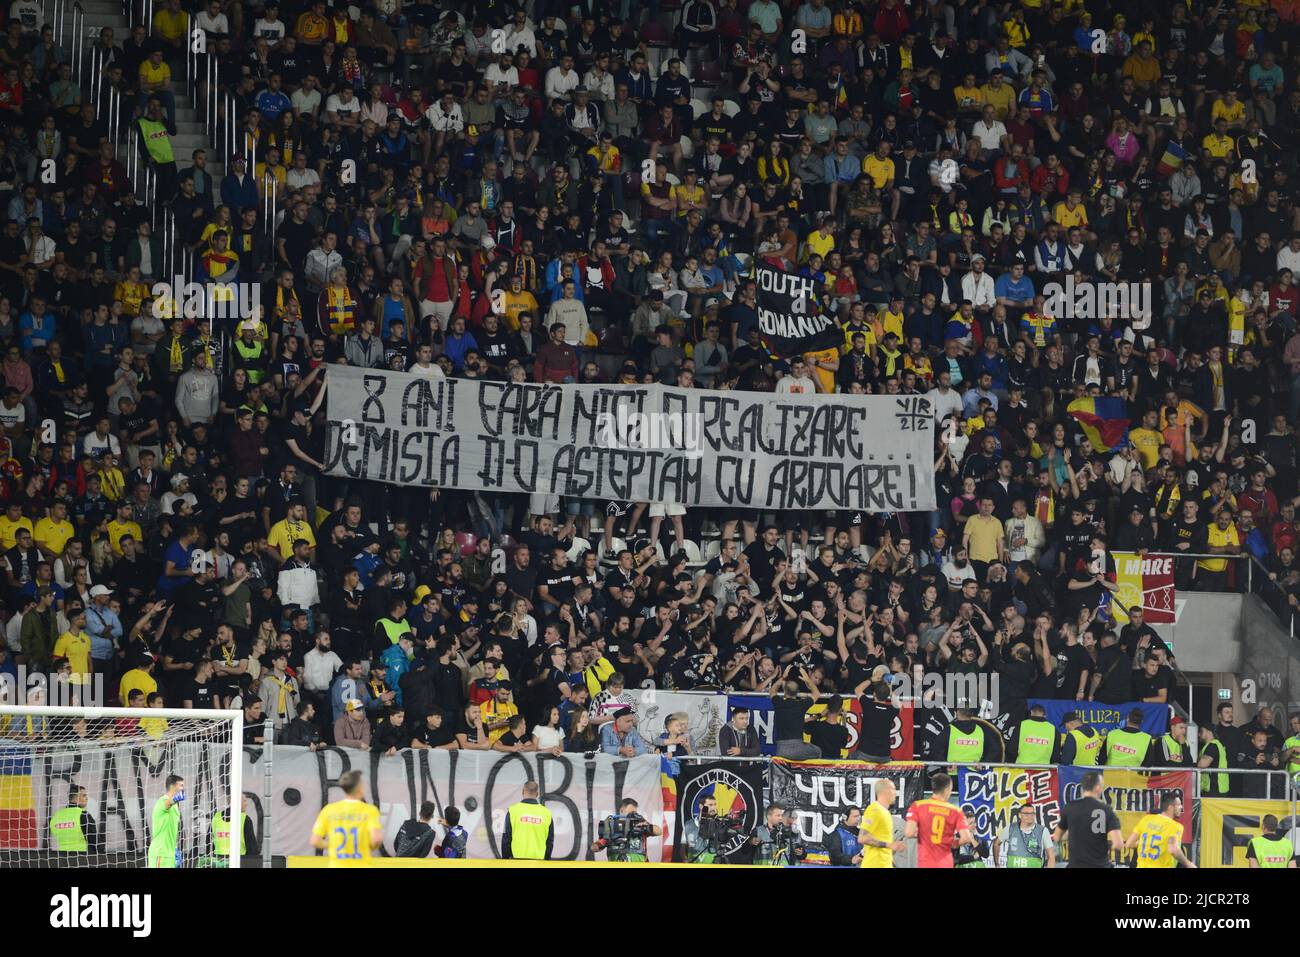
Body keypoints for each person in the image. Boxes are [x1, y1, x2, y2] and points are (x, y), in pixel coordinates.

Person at [309, 769, 383, 867]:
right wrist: (368, 846)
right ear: (360, 789)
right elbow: (377, 839)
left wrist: (333, 845)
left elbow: (315, 841)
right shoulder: (369, 810)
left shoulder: (329, 810)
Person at [1053, 769, 1123, 868]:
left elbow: (1056, 837)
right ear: (1098, 788)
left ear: (1083, 787)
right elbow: (1118, 844)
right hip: (1100, 865)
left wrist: (1074, 835)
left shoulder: (1070, 807)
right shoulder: (1106, 810)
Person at [904, 772, 974, 869]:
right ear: (946, 790)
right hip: (945, 863)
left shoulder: (918, 805)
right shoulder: (955, 811)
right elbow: (966, 837)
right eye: (950, 790)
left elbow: (909, 832)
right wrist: (954, 843)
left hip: (925, 862)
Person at [1124, 794, 1195, 869]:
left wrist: (1142, 843)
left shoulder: (1146, 819)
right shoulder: (1175, 826)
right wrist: (1189, 864)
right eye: (1179, 805)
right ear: (1170, 807)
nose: (1181, 807)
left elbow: (1129, 844)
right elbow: (1173, 850)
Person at [858, 779, 905, 868]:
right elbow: (862, 838)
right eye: (893, 789)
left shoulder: (885, 812)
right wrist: (889, 845)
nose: (895, 793)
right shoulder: (874, 809)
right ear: (885, 791)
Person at [502, 780, 553, 860]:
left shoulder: (512, 811)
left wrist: (505, 860)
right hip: (539, 863)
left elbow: (506, 839)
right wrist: (546, 862)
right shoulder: (547, 813)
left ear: (522, 792)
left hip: (516, 863)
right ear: (537, 794)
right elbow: (549, 842)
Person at [992, 804, 1055, 868]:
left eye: (1032, 814)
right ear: (1020, 815)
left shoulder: (1043, 831)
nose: (1030, 816)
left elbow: (1051, 857)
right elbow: (996, 843)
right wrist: (997, 864)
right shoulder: (1010, 828)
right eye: (1026, 814)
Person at [146, 774, 185, 868]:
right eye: (181, 785)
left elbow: (170, 829)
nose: (183, 788)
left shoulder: (175, 806)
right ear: (173, 786)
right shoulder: (162, 801)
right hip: (161, 853)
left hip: (170, 854)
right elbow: (167, 804)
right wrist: (176, 798)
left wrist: (174, 848)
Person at [49, 785, 100, 854]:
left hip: (61, 856)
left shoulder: (56, 816)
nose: (87, 798)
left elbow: (55, 833)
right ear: (75, 798)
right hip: (82, 858)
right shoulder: (83, 814)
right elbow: (94, 840)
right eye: (84, 795)